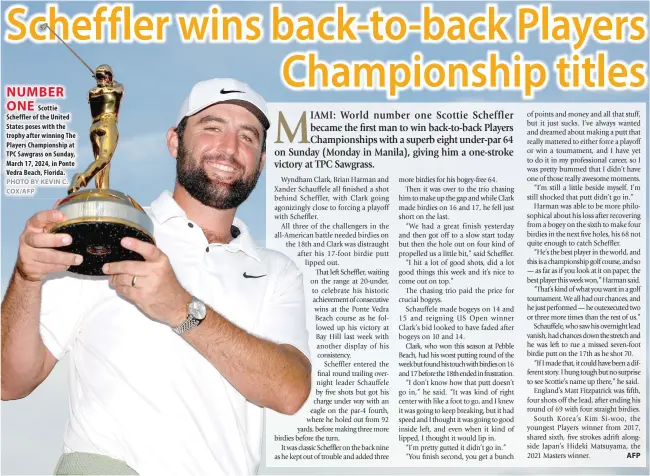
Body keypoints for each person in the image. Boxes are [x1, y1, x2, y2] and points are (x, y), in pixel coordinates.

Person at [1, 78, 312, 475]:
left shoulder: (276, 271)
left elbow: (289, 392)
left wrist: (180, 307)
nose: (230, 148)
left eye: (248, 137)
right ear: (174, 142)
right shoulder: (109, 232)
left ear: (261, 161)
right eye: (212, 127)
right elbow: (9, 382)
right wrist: (26, 279)